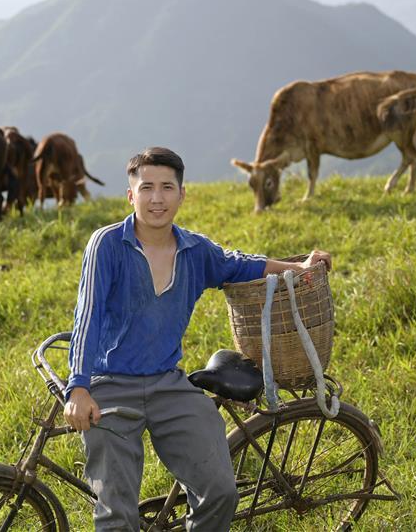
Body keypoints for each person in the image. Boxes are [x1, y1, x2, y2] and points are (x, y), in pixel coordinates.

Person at [63, 147, 331, 531]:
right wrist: (79, 388)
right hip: (110, 387)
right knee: (117, 514)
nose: (157, 198)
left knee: (221, 492)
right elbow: (85, 317)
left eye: (167, 188)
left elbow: (241, 264)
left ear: (182, 194)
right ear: (131, 195)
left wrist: (300, 267)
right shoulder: (107, 244)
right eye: (147, 188)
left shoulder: (195, 250)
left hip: (168, 383)